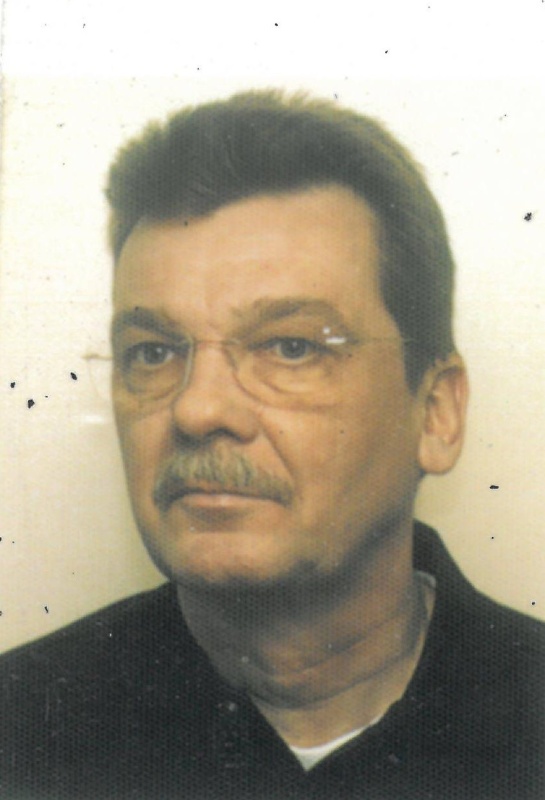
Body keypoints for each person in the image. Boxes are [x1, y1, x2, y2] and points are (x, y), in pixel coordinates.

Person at [0, 89, 543, 800]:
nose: (197, 408)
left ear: (435, 413)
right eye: (154, 353)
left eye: (290, 347)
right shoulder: (20, 727)